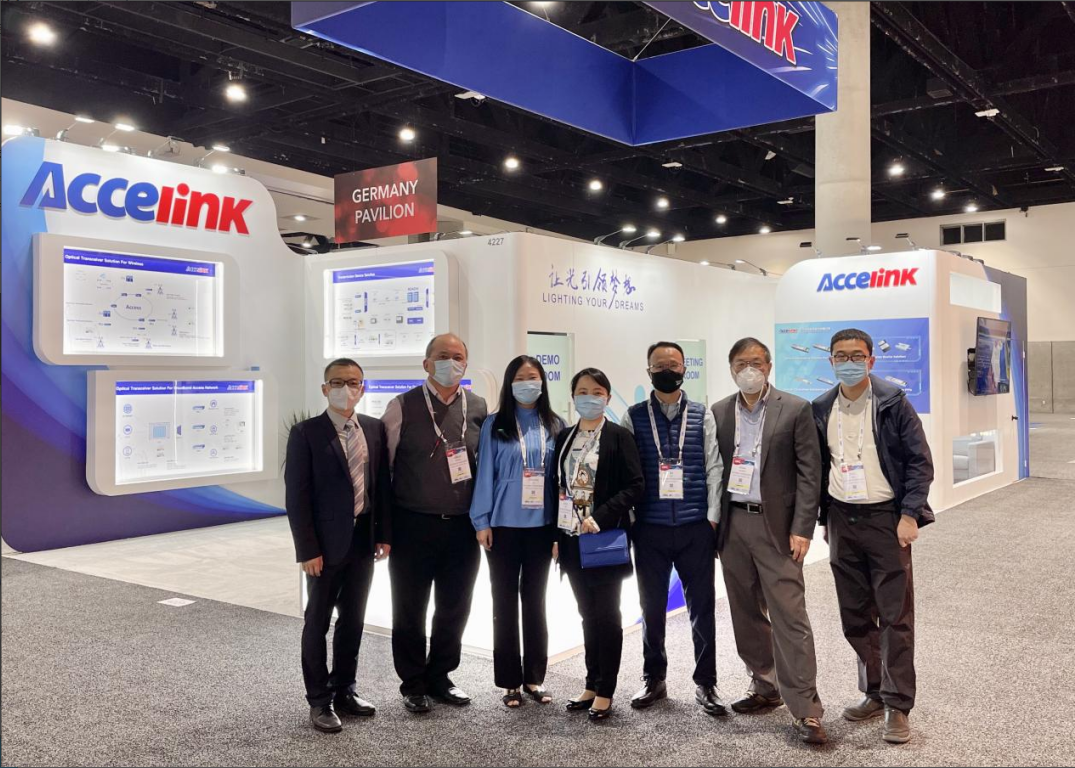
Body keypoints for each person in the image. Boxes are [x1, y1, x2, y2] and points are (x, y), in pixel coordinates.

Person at [813, 328, 935, 745]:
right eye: (840, 356)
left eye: (856, 355)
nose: (848, 362)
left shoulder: (893, 403)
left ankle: (897, 706)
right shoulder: (820, 407)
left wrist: (909, 514)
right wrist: (822, 520)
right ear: (830, 361)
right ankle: (874, 691)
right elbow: (818, 467)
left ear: (871, 360)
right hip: (841, 520)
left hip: (886, 520)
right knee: (855, 614)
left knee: (895, 615)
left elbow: (919, 463)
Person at [711, 338, 827, 745]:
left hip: (777, 528)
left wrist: (803, 527)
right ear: (731, 369)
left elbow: (810, 473)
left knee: (790, 617)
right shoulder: (719, 411)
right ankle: (765, 684)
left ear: (769, 366)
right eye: (741, 364)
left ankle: (806, 708)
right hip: (733, 525)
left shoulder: (794, 408)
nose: (750, 370)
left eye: (757, 363)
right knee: (744, 612)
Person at [382, 333, 488, 713]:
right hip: (412, 525)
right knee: (409, 608)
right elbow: (384, 470)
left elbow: (484, 467)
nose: (451, 362)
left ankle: (441, 676)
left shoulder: (478, 407)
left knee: (454, 607)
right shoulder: (401, 406)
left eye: (458, 356)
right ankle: (413, 682)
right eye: (443, 356)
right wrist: (384, 529)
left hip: (461, 527)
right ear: (426, 363)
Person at [285, 358, 392, 733]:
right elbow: (297, 497)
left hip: (363, 541)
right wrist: (307, 550)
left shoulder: (374, 429)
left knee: (353, 620)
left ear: (363, 388)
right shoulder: (306, 433)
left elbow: (381, 486)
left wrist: (383, 534)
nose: (347, 389)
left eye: (354, 382)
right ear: (324, 388)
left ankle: (345, 688)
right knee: (317, 623)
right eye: (338, 382)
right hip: (324, 547)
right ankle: (319, 700)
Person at [622, 342, 726, 716]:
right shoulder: (633, 417)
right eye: (659, 365)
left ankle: (707, 682)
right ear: (648, 371)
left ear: (684, 368)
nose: (667, 370)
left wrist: (712, 517)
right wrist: (632, 521)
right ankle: (654, 678)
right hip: (650, 528)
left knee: (703, 608)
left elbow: (714, 467)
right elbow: (627, 472)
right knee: (650, 608)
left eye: (674, 364)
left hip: (695, 526)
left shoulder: (702, 414)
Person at [548, 368, 644, 722]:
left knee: (606, 614)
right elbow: (557, 487)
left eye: (597, 391)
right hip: (570, 538)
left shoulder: (619, 436)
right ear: (573, 396)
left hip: (603, 539)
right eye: (583, 391)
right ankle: (591, 682)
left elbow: (635, 485)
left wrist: (600, 516)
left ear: (607, 397)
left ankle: (606, 689)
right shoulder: (565, 437)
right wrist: (555, 535)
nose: (590, 397)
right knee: (587, 613)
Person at [470, 355, 564, 709]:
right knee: (504, 603)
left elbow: (561, 482)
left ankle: (534, 677)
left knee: (536, 602)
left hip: (542, 528)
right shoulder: (495, 424)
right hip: (503, 527)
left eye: (534, 377)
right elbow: (485, 475)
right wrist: (481, 521)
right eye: (521, 378)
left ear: (543, 382)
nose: (528, 383)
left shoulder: (555, 424)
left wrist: (560, 531)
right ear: (510, 384)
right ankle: (509, 680)